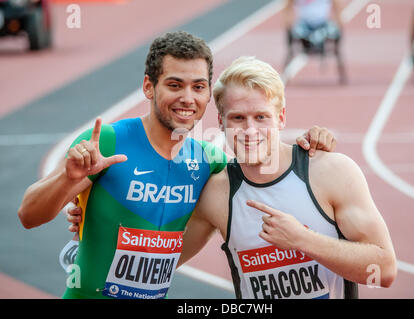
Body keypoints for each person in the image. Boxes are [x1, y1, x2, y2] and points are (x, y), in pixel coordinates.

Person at [18, 31, 337, 299]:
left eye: (198, 87)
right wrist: (66, 180)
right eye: (174, 84)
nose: (187, 97)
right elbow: (29, 216)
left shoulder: (210, 162)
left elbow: (268, 170)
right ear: (148, 86)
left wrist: (313, 142)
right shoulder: (107, 143)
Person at [175, 56, 396, 299]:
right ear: (220, 122)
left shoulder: (331, 172)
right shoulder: (216, 194)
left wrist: (303, 240)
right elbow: (161, 261)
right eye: (238, 118)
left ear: (281, 118)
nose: (250, 130)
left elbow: (384, 270)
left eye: (261, 117)